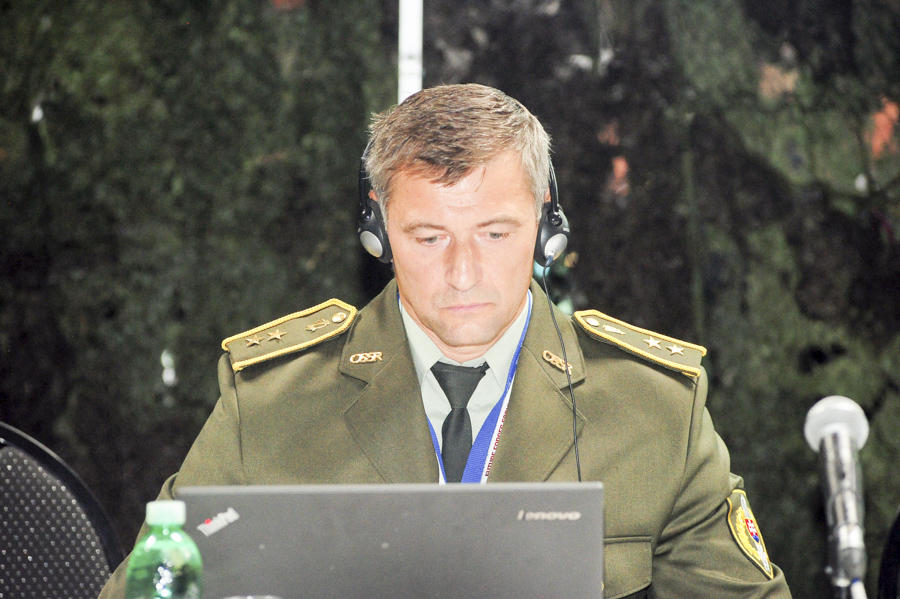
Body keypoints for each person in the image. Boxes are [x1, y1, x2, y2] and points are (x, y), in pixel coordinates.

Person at [99, 84, 792, 598]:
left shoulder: (654, 411)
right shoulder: (270, 404)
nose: (463, 272)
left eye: (494, 233)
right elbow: (145, 590)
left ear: (547, 227)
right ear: (378, 233)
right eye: (429, 237)